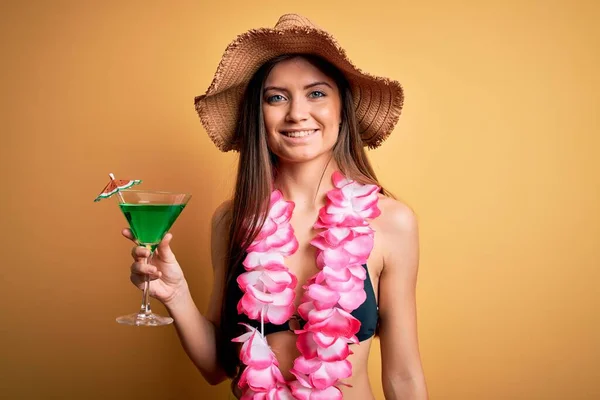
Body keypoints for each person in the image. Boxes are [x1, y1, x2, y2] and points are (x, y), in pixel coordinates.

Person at [123, 14, 428, 400]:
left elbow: (403, 375)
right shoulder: (233, 220)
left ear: (341, 109)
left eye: (316, 93)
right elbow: (217, 367)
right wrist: (175, 294)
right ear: (259, 115)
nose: (297, 113)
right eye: (276, 97)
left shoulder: (390, 222)